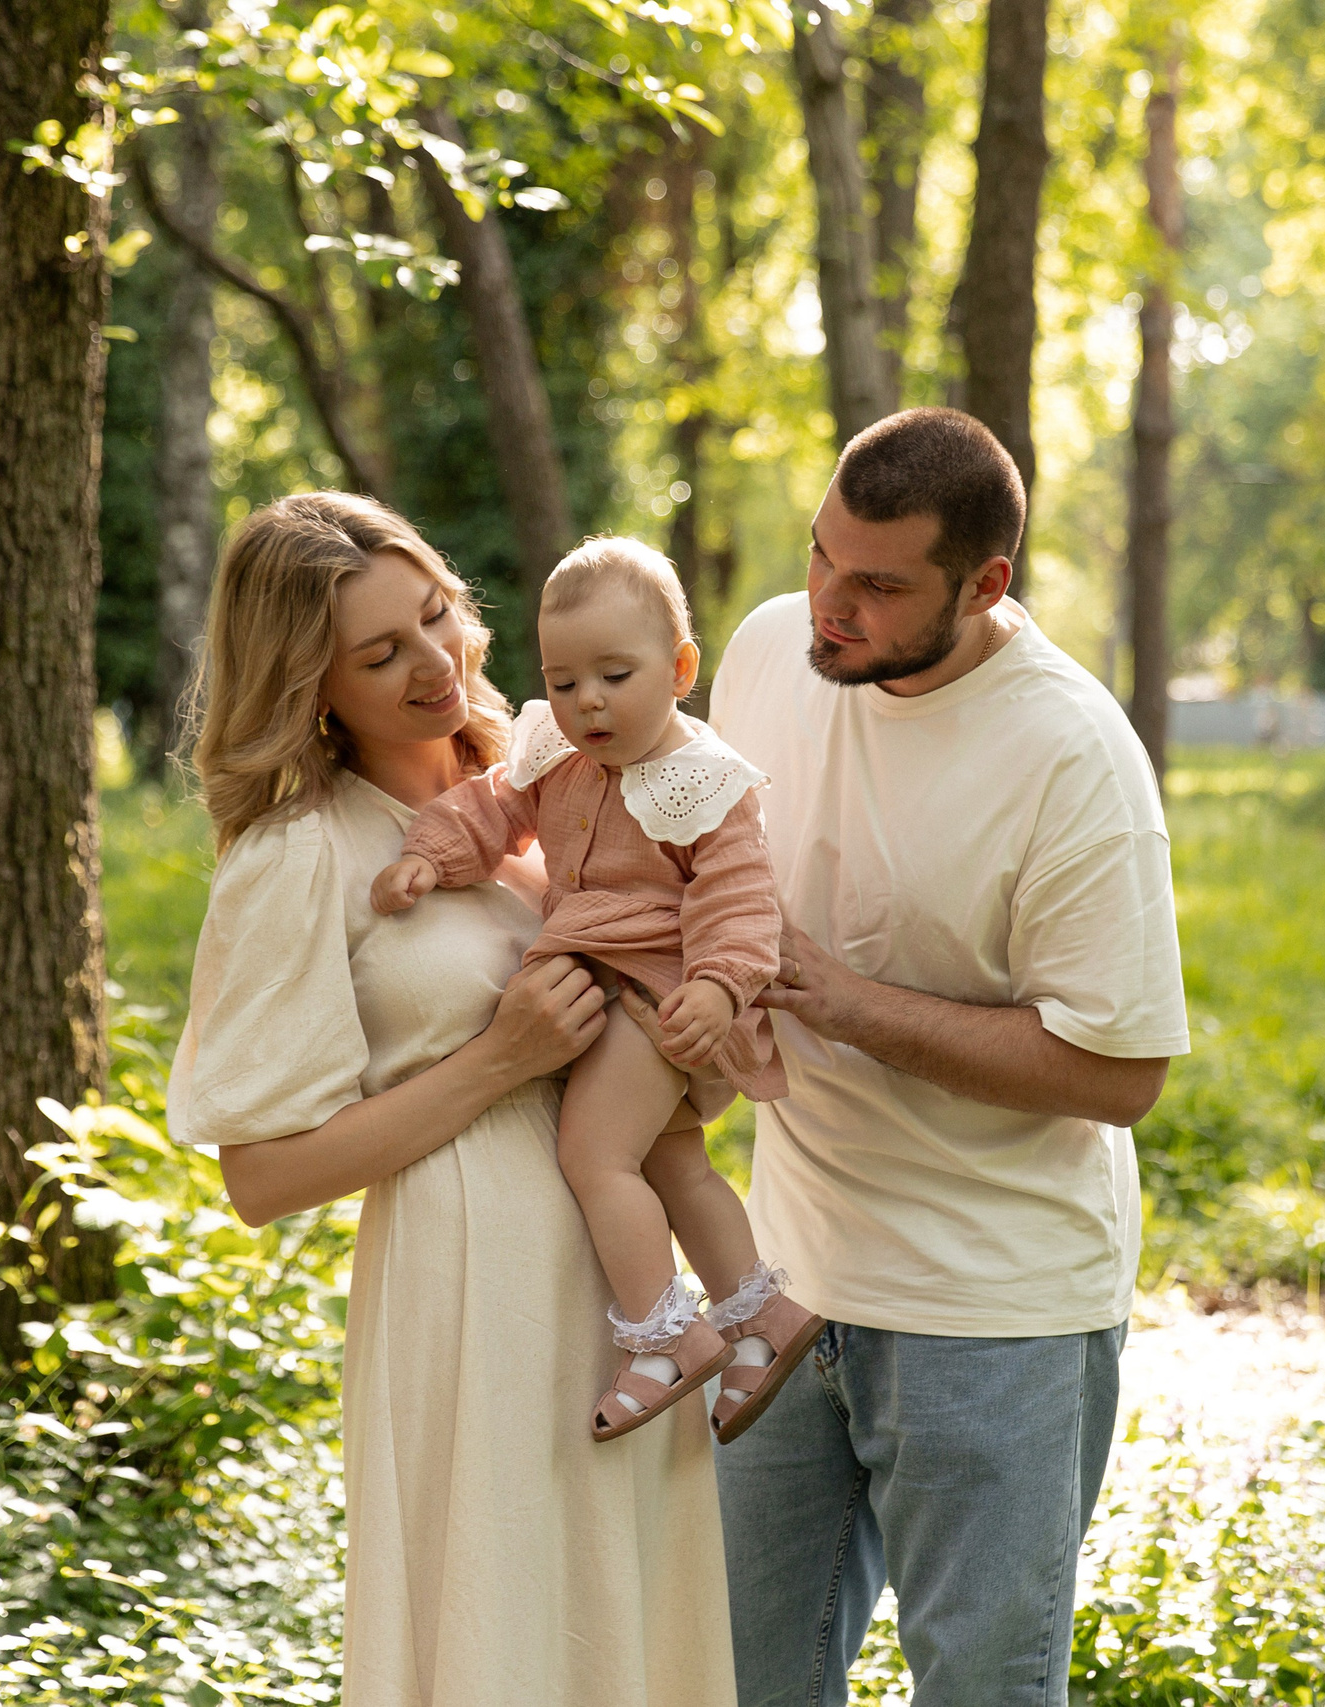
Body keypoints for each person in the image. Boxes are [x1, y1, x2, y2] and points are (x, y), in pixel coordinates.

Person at [166, 493, 736, 1706]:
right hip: (474, 1289)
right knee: (507, 1633)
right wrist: (495, 1060)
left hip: (634, 1292)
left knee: (630, 1628)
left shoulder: (571, 766)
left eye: (436, 618)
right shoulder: (301, 854)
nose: (436, 665)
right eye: (382, 654)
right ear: (308, 684)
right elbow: (259, 1179)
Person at [707, 408, 1191, 1707]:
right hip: (779, 1276)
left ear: (986, 586)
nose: (830, 605)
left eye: (878, 584)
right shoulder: (763, 650)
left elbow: (1119, 1071)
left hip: (996, 1309)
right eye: (822, 555)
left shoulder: (1073, 757)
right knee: (738, 1676)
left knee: (981, 1685)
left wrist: (849, 1002)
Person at [372, 537, 824, 1446]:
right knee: (674, 1162)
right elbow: (490, 806)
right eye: (565, 678)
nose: (588, 701)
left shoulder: (707, 782)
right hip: (609, 991)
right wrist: (429, 852)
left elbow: (742, 899)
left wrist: (721, 984)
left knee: (595, 1156)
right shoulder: (560, 759)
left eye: (616, 674)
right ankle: (762, 1319)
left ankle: (664, 1334)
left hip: (654, 996)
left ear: (680, 667)